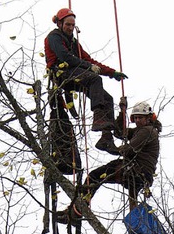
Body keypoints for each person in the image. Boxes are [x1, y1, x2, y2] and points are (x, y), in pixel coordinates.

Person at [57, 101, 161, 223]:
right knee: (132, 202)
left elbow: (129, 149)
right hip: (140, 174)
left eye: (140, 118)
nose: (137, 120)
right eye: (136, 118)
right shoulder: (140, 131)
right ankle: (138, 224)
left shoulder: (147, 131)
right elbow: (120, 132)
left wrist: (112, 148)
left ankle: (76, 211)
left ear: (148, 118)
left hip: (136, 170)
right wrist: (122, 111)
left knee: (94, 177)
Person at [45, 8, 127, 154]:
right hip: (61, 73)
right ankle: (98, 117)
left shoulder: (74, 43)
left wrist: (111, 72)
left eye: (72, 25)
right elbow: (65, 57)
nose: (70, 28)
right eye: (67, 25)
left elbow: (89, 60)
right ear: (60, 24)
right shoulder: (54, 37)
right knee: (94, 79)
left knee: (107, 98)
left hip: (74, 74)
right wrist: (89, 67)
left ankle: (106, 139)